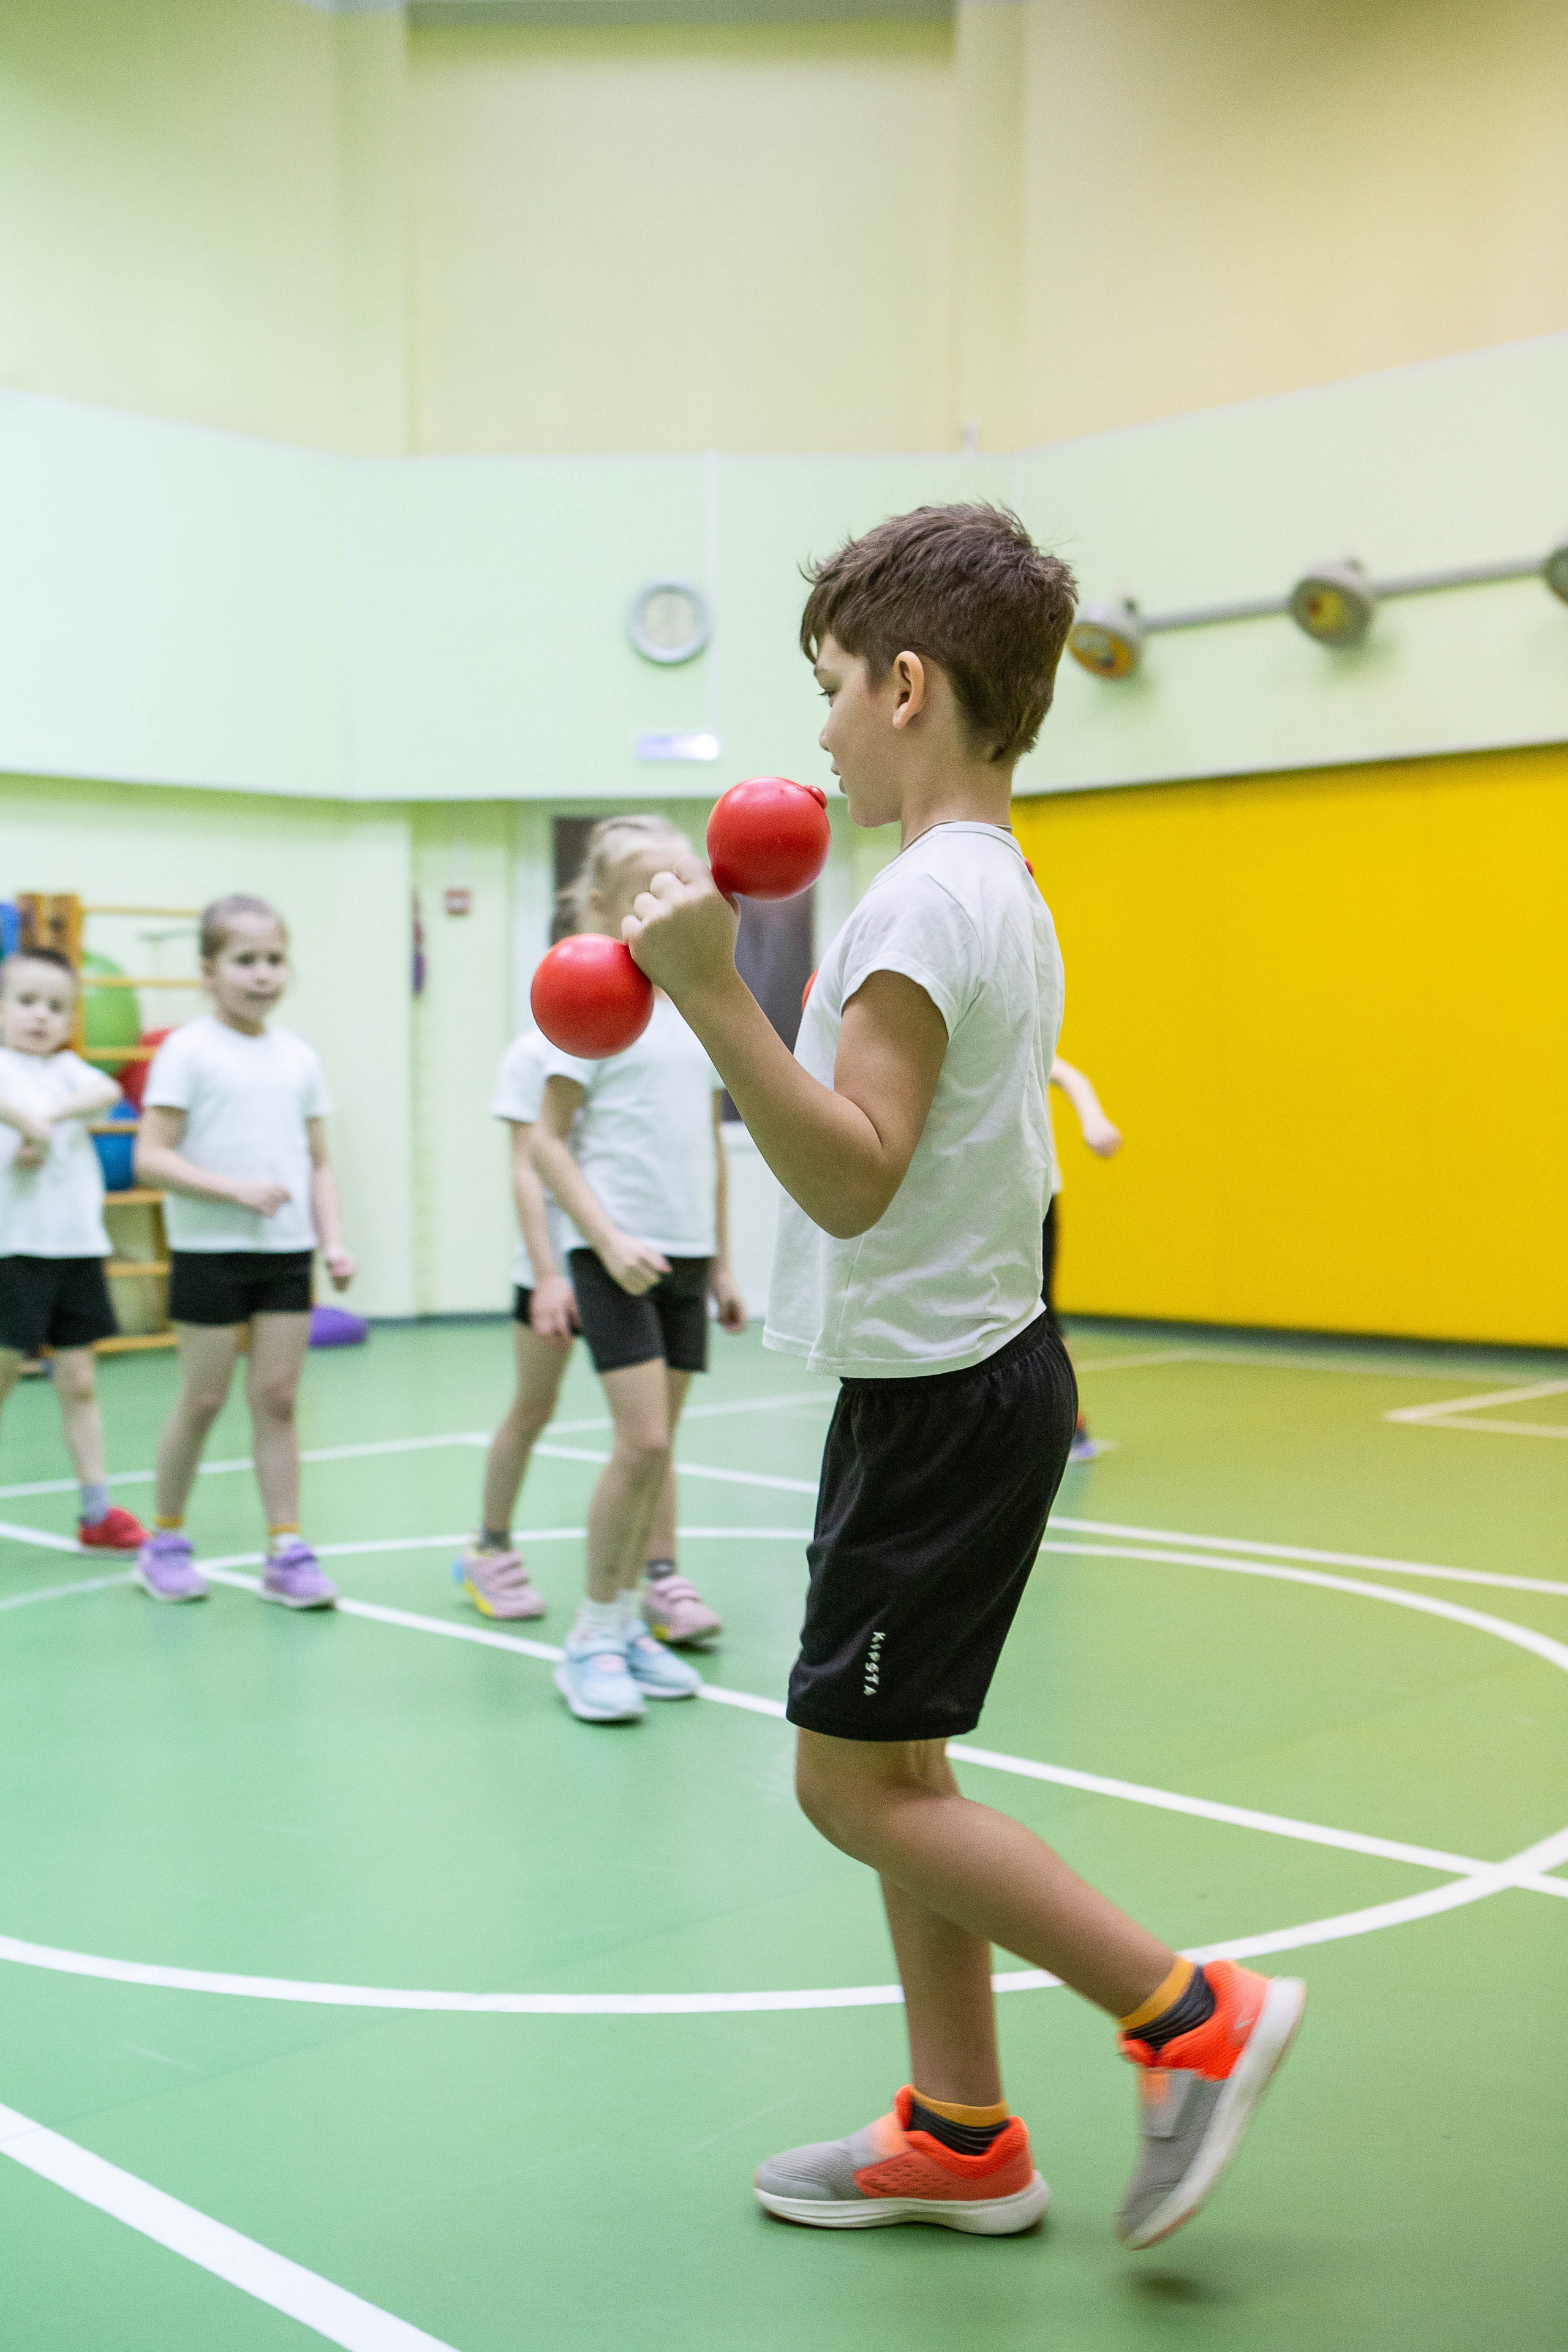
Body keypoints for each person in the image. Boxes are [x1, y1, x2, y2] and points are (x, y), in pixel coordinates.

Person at [622, 505, 1303, 2250]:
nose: (826, 729)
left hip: (936, 1402)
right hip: (968, 1374)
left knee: (848, 1788)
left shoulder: (915, 902)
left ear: (908, 686)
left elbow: (855, 1166)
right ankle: (959, 2130)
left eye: (834, 689)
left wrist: (715, 1002)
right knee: (903, 1780)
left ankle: (1188, 2018)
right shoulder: (991, 882)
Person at [529, 816, 744, 1721]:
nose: (668, 905)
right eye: (648, 891)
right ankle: (590, 1636)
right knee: (643, 1443)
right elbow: (543, 1144)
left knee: (660, 1454)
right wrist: (606, 1240)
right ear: (603, 907)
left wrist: (726, 1263)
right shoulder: (587, 1002)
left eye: (680, 888)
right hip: (615, 1258)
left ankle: (624, 1629)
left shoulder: (696, 1007)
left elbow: (710, 1147)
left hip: (687, 1258)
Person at [132, 895, 355, 1608]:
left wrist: (335, 1240)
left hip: (285, 1254)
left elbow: (319, 1162)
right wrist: (233, 1192)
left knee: (279, 1399)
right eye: (245, 960)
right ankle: (163, 1539)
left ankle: (286, 1549)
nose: (263, 975)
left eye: (274, 959)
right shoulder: (186, 1051)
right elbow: (150, 1159)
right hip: (210, 1252)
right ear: (208, 970)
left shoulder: (298, 1057)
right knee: (202, 1398)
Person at [0, 947, 148, 1551]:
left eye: (56, 1007)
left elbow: (105, 1089)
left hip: (77, 1248)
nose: (41, 1016)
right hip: (14, 1250)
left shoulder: (68, 1074)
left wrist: (45, 1120)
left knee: (80, 1381)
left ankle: (96, 1511)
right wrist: (26, 1125)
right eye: (26, 1001)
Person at [1046, 1054, 1121, 1462]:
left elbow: (1068, 1075)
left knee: (1040, 1312)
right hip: (970, 1200)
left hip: (1033, 1196)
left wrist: (1094, 1121)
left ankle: (1070, 1421)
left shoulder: (1018, 1026)